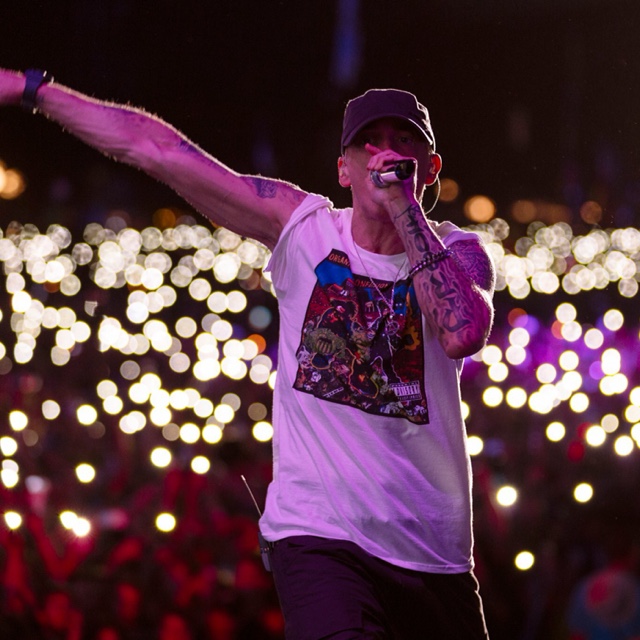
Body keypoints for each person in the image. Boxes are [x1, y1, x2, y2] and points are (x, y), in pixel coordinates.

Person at [0, 69, 495, 638]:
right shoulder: (303, 227)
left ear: (430, 168)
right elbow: (157, 149)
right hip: (320, 537)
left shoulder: (461, 252)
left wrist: (404, 208)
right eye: (369, 142)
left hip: (433, 554)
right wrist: (34, 90)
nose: (385, 154)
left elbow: (462, 333)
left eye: (403, 141)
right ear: (343, 168)